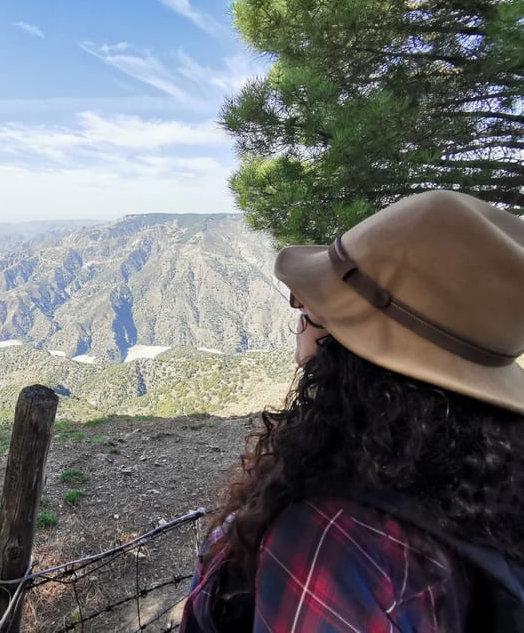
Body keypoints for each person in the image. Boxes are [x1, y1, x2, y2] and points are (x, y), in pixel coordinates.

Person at [179, 190, 524, 632]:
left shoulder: (331, 544)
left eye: (311, 305)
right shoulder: (488, 479)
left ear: (347, 351)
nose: (299, 310)